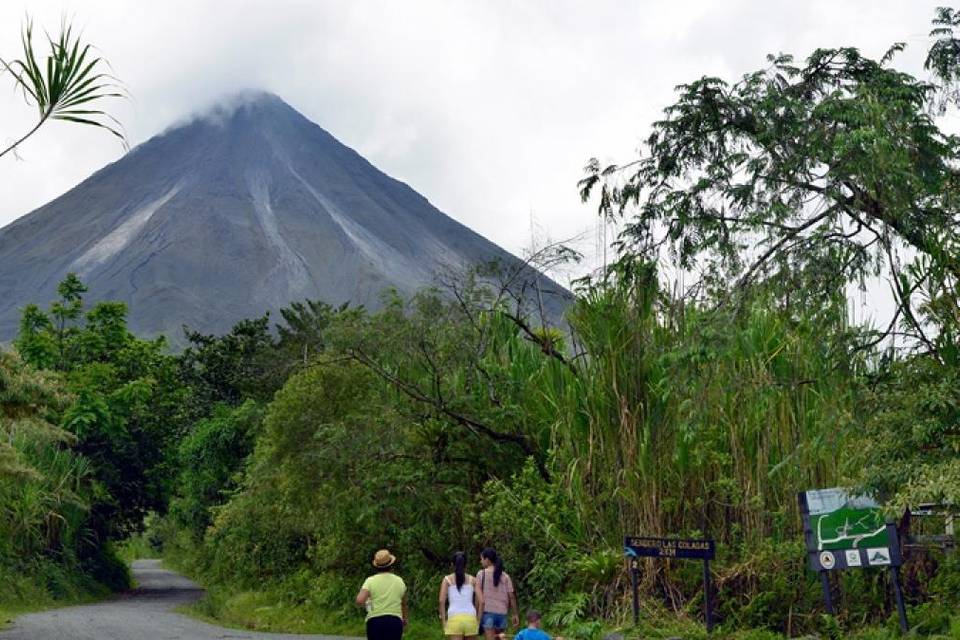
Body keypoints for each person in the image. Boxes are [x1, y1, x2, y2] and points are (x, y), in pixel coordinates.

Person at [356, 549, 409, 640]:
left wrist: (369, 606)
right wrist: (404, 619)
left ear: (376, 566)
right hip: (394, 621)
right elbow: (403, 603)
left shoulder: (370, 581)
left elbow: (360, 600)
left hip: (375, 621)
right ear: (391, 565)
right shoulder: (399, 581)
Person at [439, 551, 484, 639]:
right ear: (466, 565)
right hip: (471, 618)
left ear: (452, 565)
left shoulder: (447, 580)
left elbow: (441, 601)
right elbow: (482, 602)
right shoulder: (473, 580)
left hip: (454, 618)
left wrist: (444, 622)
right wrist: (478, 621)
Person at [476, 548, 519, 639]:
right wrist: (515, 614)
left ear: (487, 560)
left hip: (488, 613)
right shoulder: (505, 576)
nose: (481, 561)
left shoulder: (481, 574)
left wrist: (477, 614)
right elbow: (511, 597)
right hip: (502, 615)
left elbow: (478, 597)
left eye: (482, 559)